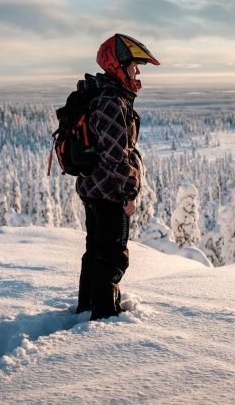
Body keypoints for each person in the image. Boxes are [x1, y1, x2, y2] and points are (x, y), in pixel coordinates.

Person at [74, 34, 159, 320]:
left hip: (93, 187)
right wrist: (128, 192)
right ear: (118, 66)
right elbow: (115, 155)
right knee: (112, 256)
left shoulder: (104, 95)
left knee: (96, 251)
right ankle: (103, 315)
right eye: (134, 67)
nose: (138, 72)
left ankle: (87, 307)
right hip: (108, 191)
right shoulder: (111, 100)